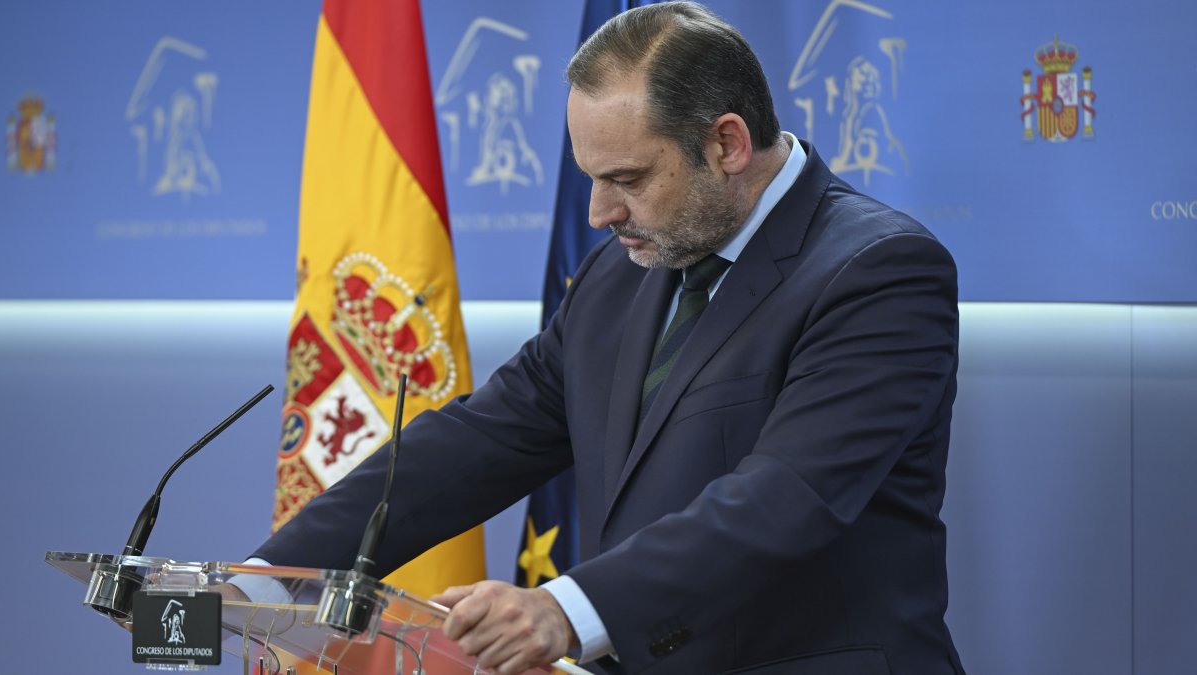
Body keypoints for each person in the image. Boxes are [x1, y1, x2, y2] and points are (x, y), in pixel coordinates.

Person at [252, 3, 965, 673]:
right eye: (591, 178)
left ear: (727, 143)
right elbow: (480, 440)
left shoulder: (878, 271)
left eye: (627, 177)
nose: (598, 212)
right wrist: (267, 580)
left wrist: (566, 609)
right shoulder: (618, 276)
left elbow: (787, 495)